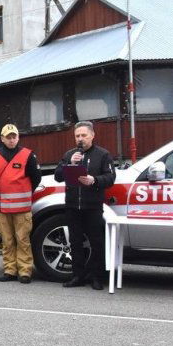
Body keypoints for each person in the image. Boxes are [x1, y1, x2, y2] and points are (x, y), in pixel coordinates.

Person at [54, 121, 115, 290]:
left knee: (96, 242)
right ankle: (77, 276)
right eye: (77, 136)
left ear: (92, 135)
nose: (80, 139)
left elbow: (110, 178)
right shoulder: (69, 155)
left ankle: (96, 277)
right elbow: (58, 176)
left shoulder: (103, 154)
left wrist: (94, 180)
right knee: (75, 242)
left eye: (84, 135)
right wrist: (70, 164)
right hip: (73, 205)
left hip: (93, 206)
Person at [0, 124, 42, 284]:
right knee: (7, 241)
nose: (11, 140)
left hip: (22, 208)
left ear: (18, 137)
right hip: (2, 208)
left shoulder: (28, 155)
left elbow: (36, 177)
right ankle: (10, 270)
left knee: (23, 240)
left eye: (14, 137)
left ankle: (25, 271)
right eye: (8, 137)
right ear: (2, 138)